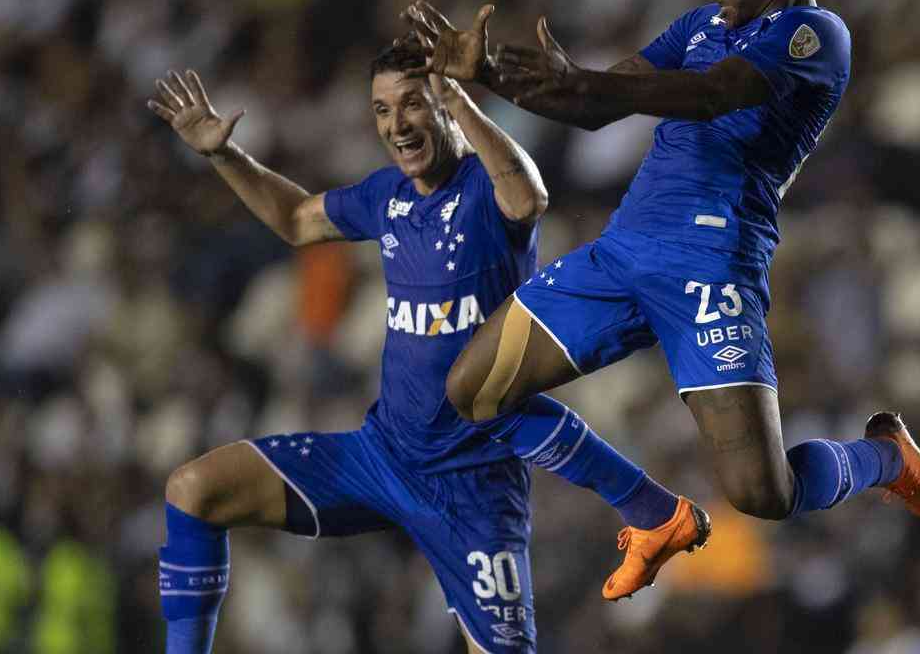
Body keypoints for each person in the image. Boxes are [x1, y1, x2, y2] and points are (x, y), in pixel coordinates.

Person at [403, 0, 920, 603]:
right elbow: (600, 104)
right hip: (623, 251)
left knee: (761, 493)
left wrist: (586, 80)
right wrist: (491, 73)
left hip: (710, 264)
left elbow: (712, 95)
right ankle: (652, 515)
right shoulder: (699, 25)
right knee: (470, 390)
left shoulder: (815, 35)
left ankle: (883, 458)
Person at [145, 41, 703, 654]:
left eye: (412, 104)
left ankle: (650, 510)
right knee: (193, 490)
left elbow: (529, 199)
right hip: (382, 457)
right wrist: (223, 154)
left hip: (475, 489)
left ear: (444, 105)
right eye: (382, 110)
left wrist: (460, 100)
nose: (396, 124)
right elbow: (299, 220)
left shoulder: (485, 189)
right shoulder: (388, 197)